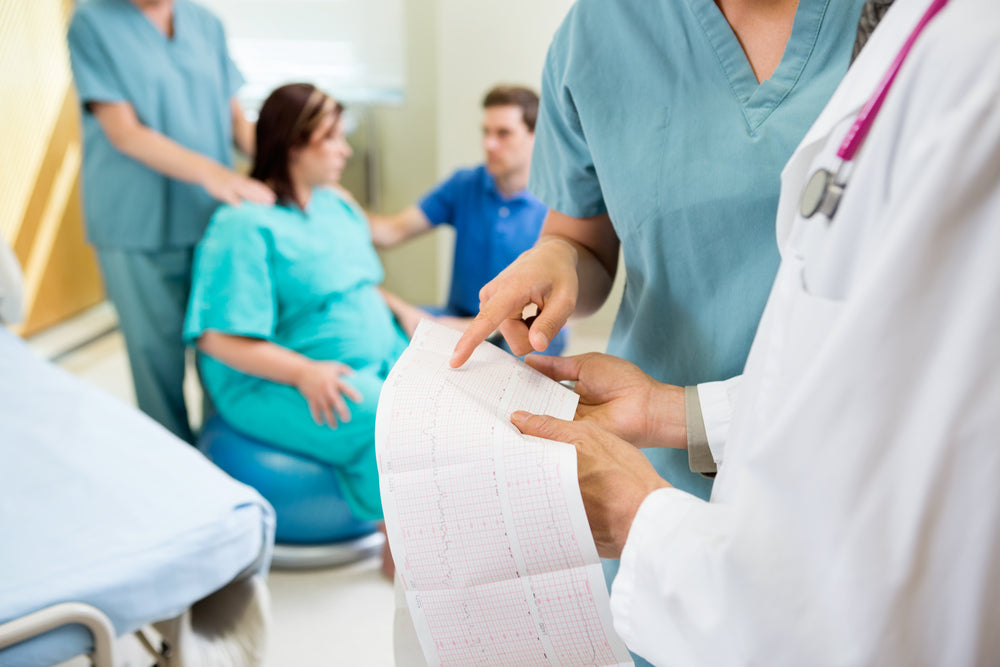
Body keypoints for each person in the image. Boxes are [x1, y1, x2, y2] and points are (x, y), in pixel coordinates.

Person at [509, 0, 1000, 661]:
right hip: (652, 479)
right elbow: (582, 238)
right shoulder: (600, 32)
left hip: (842, 506)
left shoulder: (938, 37)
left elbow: (917, 363)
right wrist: (556, 258)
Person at [184, 83, 425, 533]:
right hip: (276, 378)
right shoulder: (242, 224)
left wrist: (404, 311)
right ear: (294, 145)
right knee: (395, 422)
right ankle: (399, 544)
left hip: (374, 352)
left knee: (450, 397)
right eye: (331, 137)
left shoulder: (335, 205)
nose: (345, 150)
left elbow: (353, 282)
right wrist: (303, 373)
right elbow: (215, 338)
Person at [67, 0, 274, 443]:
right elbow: (124, 131)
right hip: (135, 221)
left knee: (225, 359)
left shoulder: (204, 24)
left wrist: (286, 166)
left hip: (211, 218)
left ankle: (219, 457)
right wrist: (216, 174)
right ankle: (174, 468)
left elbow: (236, 121)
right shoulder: (92, 22)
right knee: (157, 364)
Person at [368, 85, 568, 356]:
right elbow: (392, 231)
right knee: (389, 328)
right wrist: (338, 205)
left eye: (503, 133)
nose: (489, 144)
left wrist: (478, 326)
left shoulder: (558, 200)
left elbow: (555, 299)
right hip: (458, 315)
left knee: (528, 351)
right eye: (486, 132)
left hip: (524, 323)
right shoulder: (464, 185)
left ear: (536, 136)